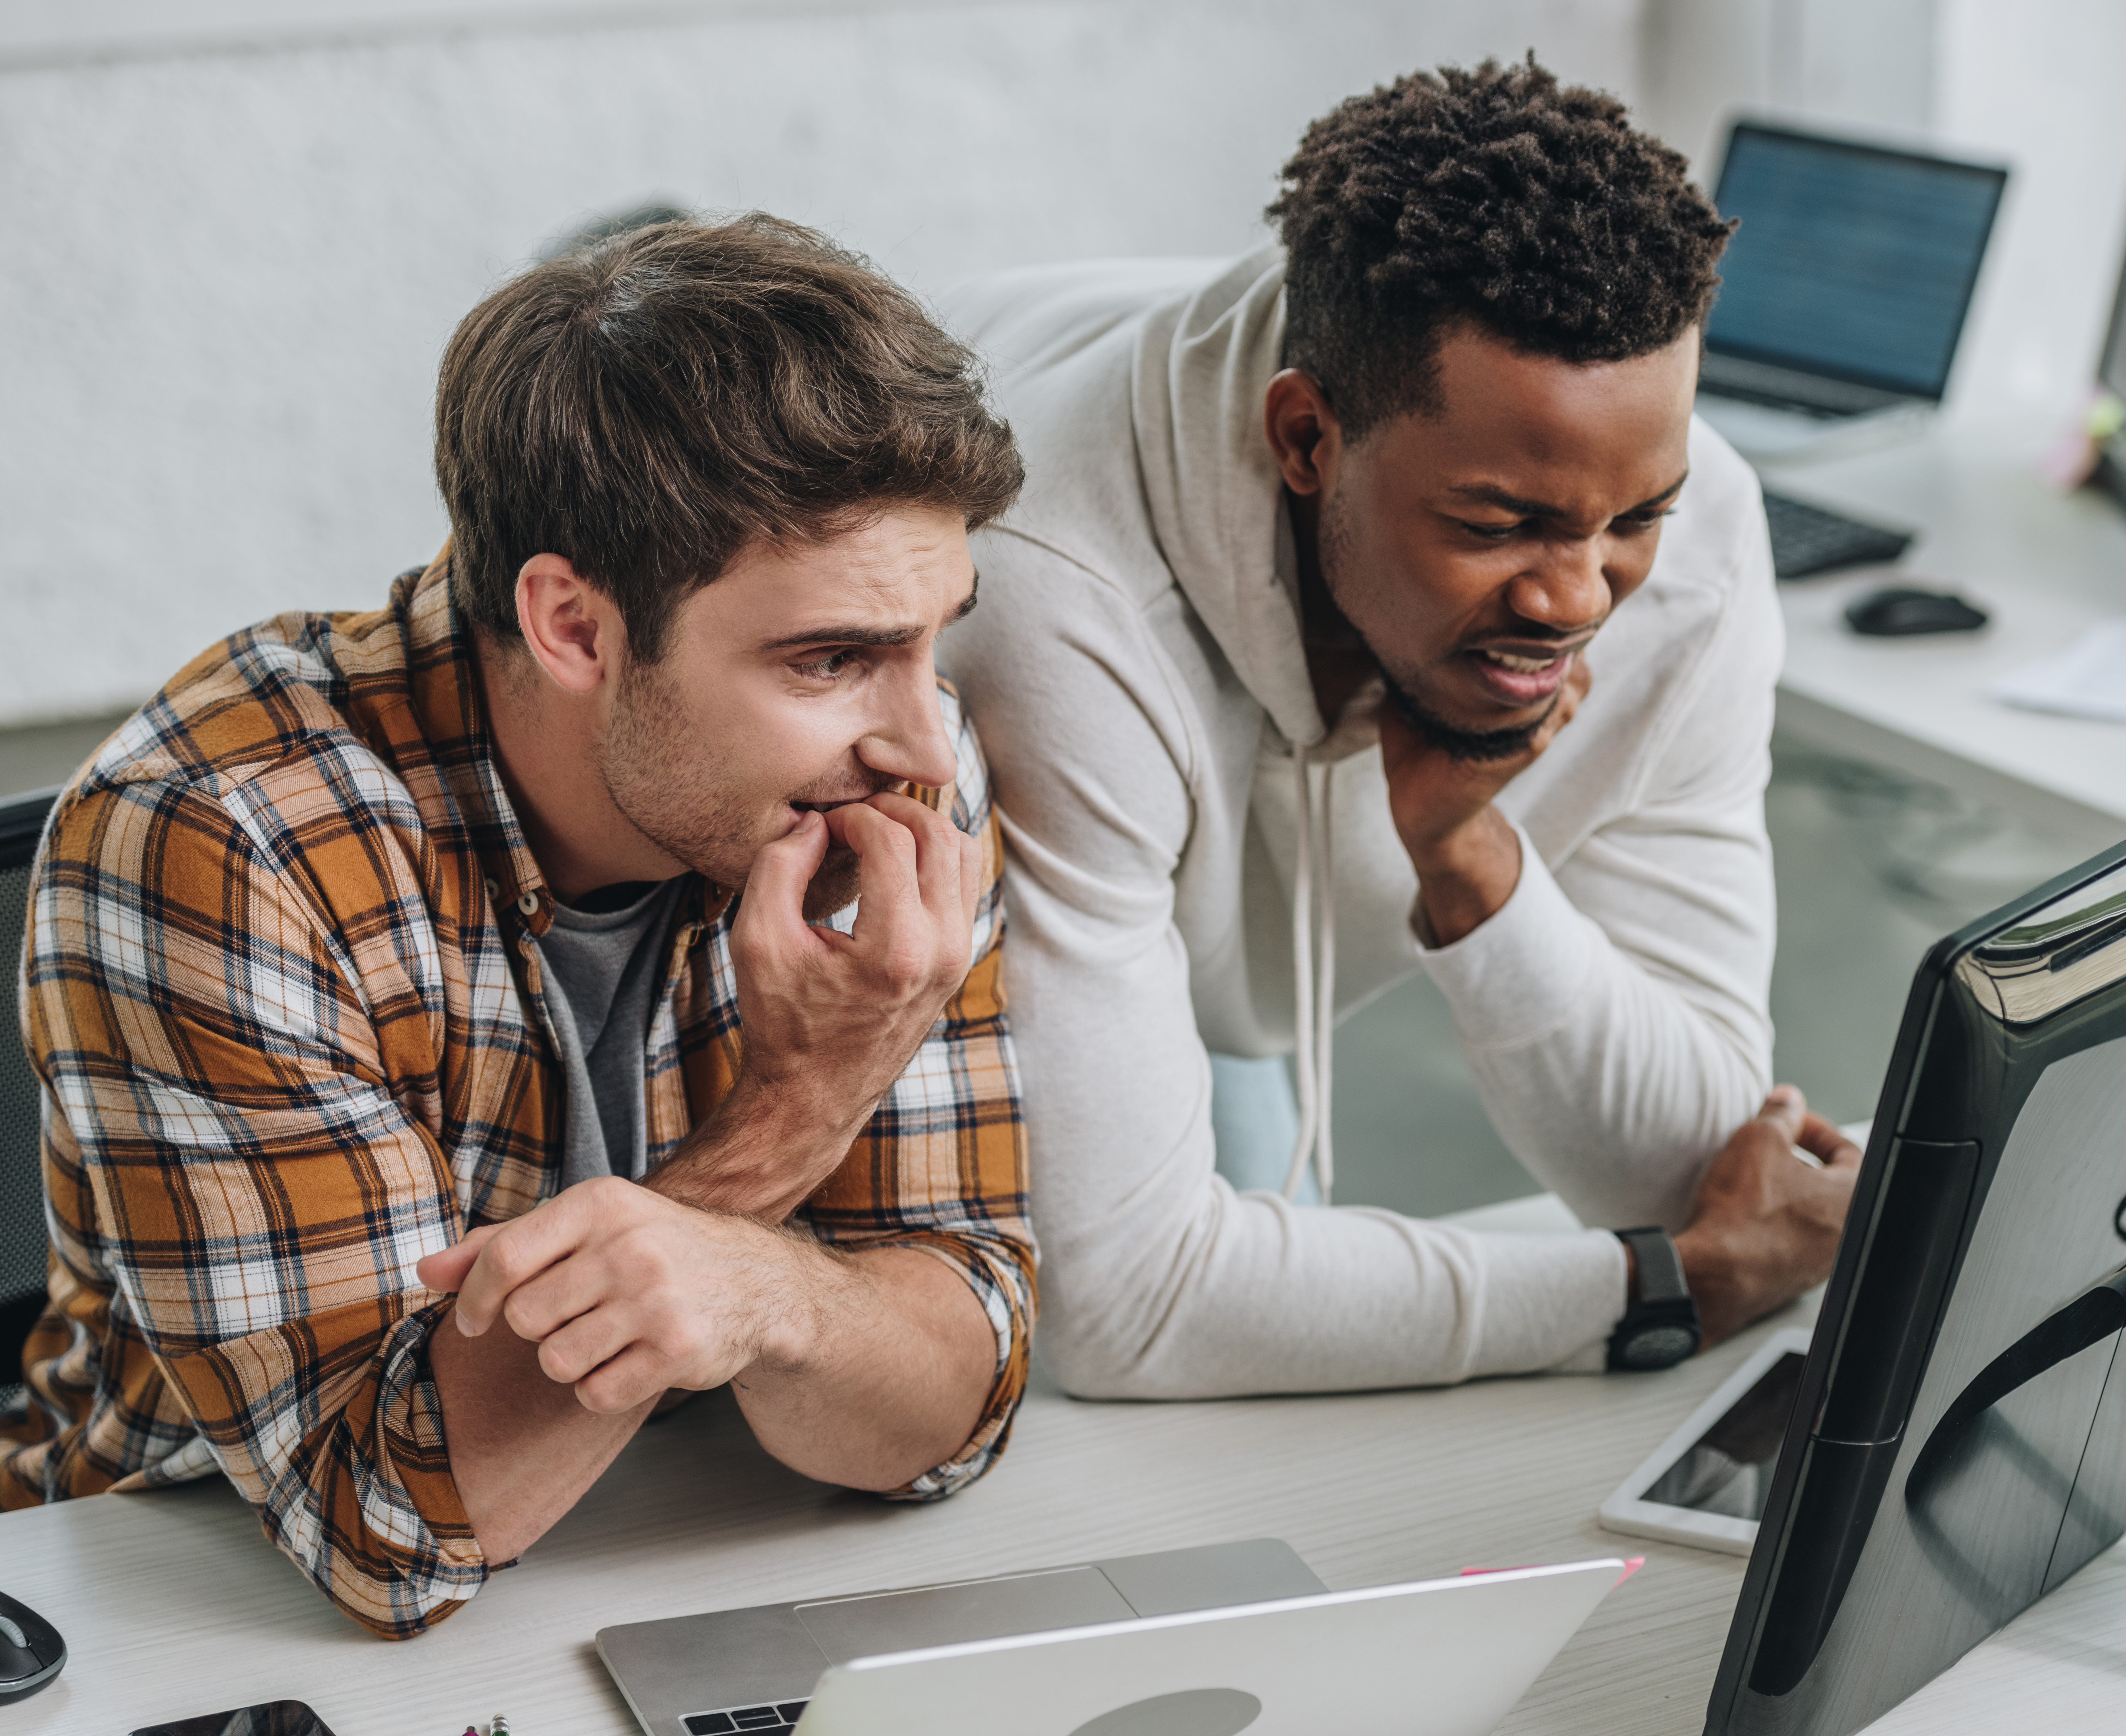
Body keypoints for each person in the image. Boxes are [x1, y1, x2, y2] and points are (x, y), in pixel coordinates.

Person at [2, 216, 1033, 1638]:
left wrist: (774, 1302)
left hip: (677, 1550)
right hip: (174, 1607)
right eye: (831, 657)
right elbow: (386, 1522)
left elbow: (956, 1399)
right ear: (572, 626)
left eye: (935, 637)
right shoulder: (225, 836)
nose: (924, 739)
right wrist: (801, 1109)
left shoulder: (877, 767)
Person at [940, 58, 1861, 1401]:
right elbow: (1124, 1308)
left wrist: (1471, 861)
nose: (1576, 600)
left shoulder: (1702, 537)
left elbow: (1694, 1170)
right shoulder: (1050, 596)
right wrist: (1670, 1287)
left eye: (1633, 518)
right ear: (1307, 438)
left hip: (1195, 926)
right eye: (1500, 527)